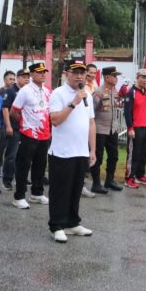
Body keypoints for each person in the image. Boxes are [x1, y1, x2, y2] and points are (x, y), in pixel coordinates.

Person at [47, 60, 96, 243]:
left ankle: (72, 222)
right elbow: (55, 120)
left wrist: (93, 150)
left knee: (76, 190)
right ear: (66, 73)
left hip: (81, 151)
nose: (79, 76)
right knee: (60, 190)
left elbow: (91, 122)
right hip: (62, 152)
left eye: (82, 72)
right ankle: (57, 225)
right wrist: (73, 103)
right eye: (75, 72)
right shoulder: (58, 94)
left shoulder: (87, 95)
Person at [10, 62, 52, 209]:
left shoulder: (47, 90)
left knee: (40, 165)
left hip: (44, 134)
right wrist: (24, 123)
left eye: (44, 72)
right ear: (32, 74)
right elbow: (14, 111)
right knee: (23, 165)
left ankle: (37, 193)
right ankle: (19, 196)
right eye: (39, 72)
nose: (42, 74)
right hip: (28, 134)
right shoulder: (25, 91)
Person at [91, 66, 123, 193]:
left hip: (112, 129)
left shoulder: (115, 92)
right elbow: (91, 111)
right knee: (98, 157)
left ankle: (109, 180)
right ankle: (96, 183)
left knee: (114, 156)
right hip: (99, 129)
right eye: (114, 76)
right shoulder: (98, 92)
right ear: (107, 77)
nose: (116, 78)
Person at [124, 68, 146, 188]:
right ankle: (129, 177)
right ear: (138, 77)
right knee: (133, 154)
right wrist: (130, 128)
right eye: (143, 77)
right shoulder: (131, 92)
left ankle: (140, 175)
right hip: (136, 128)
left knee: (144, 153)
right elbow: (127, 112)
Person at [0, 68, 29, 191]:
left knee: (24, 156)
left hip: (26, 128)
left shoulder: (29, 91)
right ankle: (7, 180)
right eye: (23, 77)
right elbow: (5, 109)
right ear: (17, 78)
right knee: (11, 155)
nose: (26, 79)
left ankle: (21, 178)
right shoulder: (11, 91)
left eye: (28, 77)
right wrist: (8, 126)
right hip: (15, 127)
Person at [0, 70, 16, 178]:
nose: (12, 81)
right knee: (0, 147)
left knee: (12, 149)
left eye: (13, 79)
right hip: (1, 124)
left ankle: (11, 170)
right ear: (4, 80)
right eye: (10, 79)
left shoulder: (17, 92)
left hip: (14, 124)